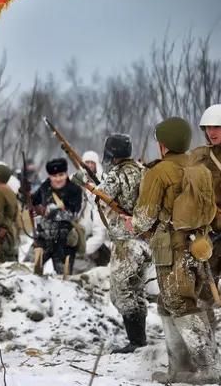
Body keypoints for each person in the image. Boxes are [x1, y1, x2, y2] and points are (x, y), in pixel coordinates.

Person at [127, 117, 220, 384]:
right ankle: (179, 368)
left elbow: (144, 217)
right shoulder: (200, 168)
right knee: (170, 304)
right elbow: (211, 211)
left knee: (180, 303)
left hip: (172, 248)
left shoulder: (159, 172)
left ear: (163, 144)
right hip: (199, 247)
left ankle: (208, 368)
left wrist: (133, 222)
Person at [94, 134, 150, 354]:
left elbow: (99, 198)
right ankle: (139, 338)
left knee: (121, 291)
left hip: (126, 242)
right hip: (144, 240)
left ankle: (136, 341)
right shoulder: (142, 169)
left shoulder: (116, 174)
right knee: (136, 289)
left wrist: (98, 186)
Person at [188, 103, 221, 327]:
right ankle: (208, 329)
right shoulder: (198, 156)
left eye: (217, 126)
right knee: (205, 280)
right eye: (208, 127)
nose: (212, 131)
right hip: (211, 228)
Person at [31, 158, 83, 275]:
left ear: (66, 174)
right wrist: (25, 195)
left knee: (63, 278)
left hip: (64, 242)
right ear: (49, 176)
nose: (58, 179)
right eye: (54, 176)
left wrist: (50, 212)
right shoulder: (45, 187)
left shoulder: (74, 190)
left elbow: (73, 214)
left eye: (61, 175)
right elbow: (34, 202)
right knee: (29, 271)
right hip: (43, 239)